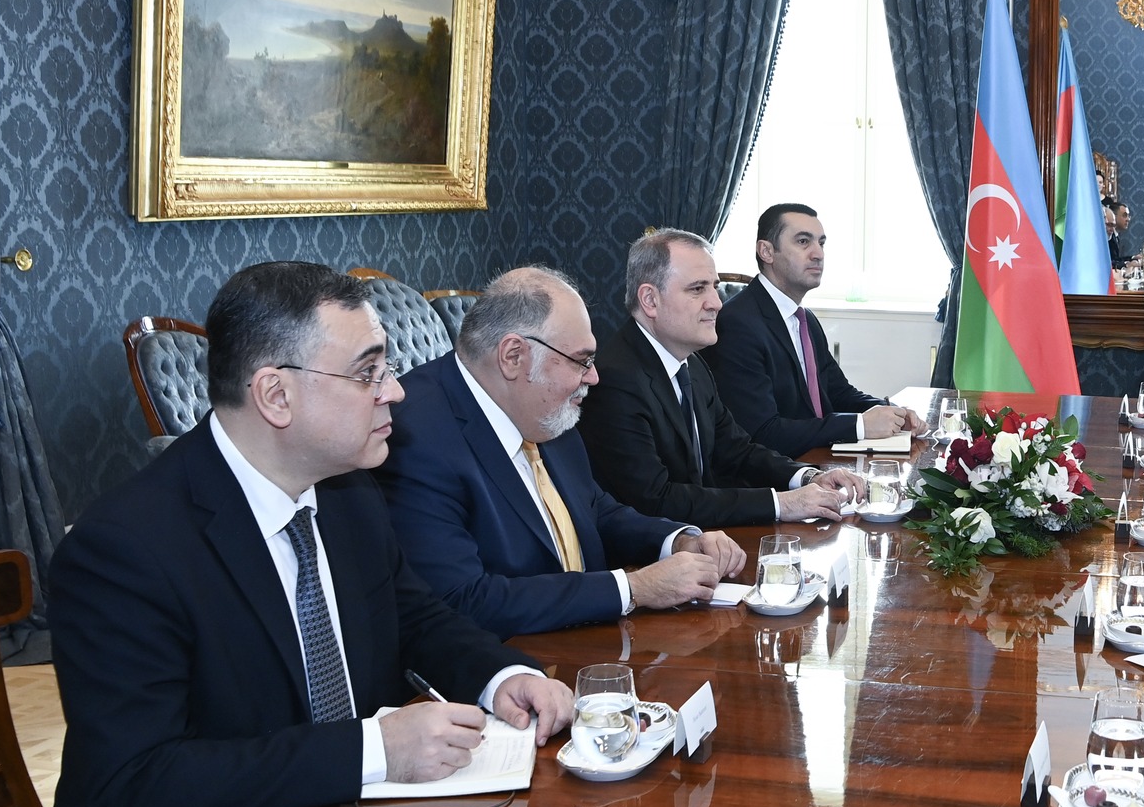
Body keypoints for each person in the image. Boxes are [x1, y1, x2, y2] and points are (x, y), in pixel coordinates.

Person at [9, 262, 574, 807]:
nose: (395, 391)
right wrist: (375, 749)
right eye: (367, 373)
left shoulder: (347, 491)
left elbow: (414, 616)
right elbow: (138, 786)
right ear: (276, 395)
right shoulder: (124, 550)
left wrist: (500, 675)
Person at [377, 267, 746, 638]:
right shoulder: (416, 437)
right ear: (513, 356)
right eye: (581, 360)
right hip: (515, 659)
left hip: (592, 640)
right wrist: (634, 588)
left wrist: (678, 540)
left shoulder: (543, 406)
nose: (594, 376)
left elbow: (595, 510)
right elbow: (464, 600)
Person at [579, 228, 866, 528]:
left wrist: (807, 476)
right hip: (655, 550)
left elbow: (736, 450)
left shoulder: (692, 363)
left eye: (714, 287)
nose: (716, 302)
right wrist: (781, 504)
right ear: (650, 300)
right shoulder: (616, 381)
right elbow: (657, 500)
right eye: (697, 289)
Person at [702, 204, 924, 457]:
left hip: (817, 459)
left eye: (821, 243)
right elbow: (761, 433)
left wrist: (892, 411)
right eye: (803, 241)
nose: (818, 254)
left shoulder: (805, 318)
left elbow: (837, 392)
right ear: (766, 251)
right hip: (778, 471)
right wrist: (860, 426)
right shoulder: (737, 324)